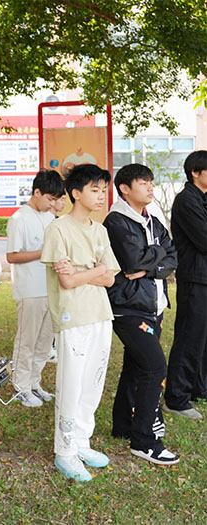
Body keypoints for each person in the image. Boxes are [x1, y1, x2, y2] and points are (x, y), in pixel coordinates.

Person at [40, 164, 120, 482]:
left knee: (93, 383)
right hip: (73, 316)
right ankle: (65, 450)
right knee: (71, 384)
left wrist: (83, 271)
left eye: (104, 190)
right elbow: (67, 282)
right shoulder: (58, 229)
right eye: (94, 190)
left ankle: (82, 442)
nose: (101, 196)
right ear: (76, 193)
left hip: (100, 314)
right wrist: (95, 269)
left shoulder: (100, 230)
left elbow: (110, 279)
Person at [103, 163, 180, 465]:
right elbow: (132, 263)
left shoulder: (151, 220)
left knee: (136, 367)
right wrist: (155, 257)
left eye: (151, 182)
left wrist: (149, 266)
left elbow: (173, 257)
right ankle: (145, 441)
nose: (150, 187)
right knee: (155, 368)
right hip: (129, 308)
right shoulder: (117, 221)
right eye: (143, 182)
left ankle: (124, 425)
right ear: (125, 188)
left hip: (153, 305)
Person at [6, 170, 64, 407]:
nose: (52, 204)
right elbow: (12, 255)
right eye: (50, 199)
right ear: (37, 192)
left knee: (44, 343)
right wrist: (43, 253)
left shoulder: (49, 218)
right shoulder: (19, 218)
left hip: (51, 288)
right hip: (29, 290)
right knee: (27, 341)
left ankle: (34, 383)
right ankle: (20, 387)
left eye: (55, 200)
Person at [164, 150, 207, 419]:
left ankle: (198, 389)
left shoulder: (202, 198)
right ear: (195, 172)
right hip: (194, 277)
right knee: (189, 337)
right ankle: (176, 398)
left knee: (203, 338)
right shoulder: (186, 200)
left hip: (204, 277)